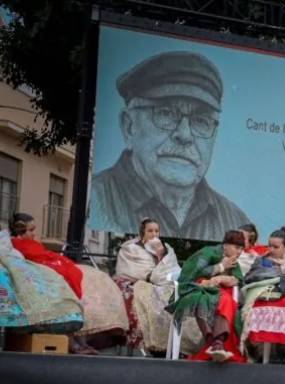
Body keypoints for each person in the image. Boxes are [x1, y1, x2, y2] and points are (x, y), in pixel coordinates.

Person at [89, 51, 251, 241]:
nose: (184, 135)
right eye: (165, 113)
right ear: (129, 126)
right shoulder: (95, 200)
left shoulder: (234, 219)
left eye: (201, 120)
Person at [10, 213, 128, 353]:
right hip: (34, 274)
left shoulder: (26, 243)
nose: (34, 234)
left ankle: (79, 338)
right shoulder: (16, 244)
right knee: (66, 274)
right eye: (31, 230)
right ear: (20, 230)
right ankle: (73, 341)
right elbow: (33, 257)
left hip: (40, 269)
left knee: (71, 271)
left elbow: (40, 254)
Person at [167, 229, 247, 363]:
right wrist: (221, 267)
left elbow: (238, 279)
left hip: (217, 292)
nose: (239, 252)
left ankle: (216, 344)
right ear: (225, 245)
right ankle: (216, 343)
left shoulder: (233, 262)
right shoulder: (208, 252)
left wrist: (221, 278)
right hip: (195, 287)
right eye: (237, 247)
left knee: (227, 301)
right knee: (213, 299)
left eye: (241, 249)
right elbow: (193, 272)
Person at [113, 218, 182, 352]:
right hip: (135, 283)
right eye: (150, 231)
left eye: (157, 231)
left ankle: (169, 344)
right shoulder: (130, 248)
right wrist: (151, 276)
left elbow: (172, 272)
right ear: (142, 232)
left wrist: (160, 255)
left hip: (159, 285)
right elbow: (129, 269)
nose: (154, 234)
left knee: (173, 296)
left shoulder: (165, 249)